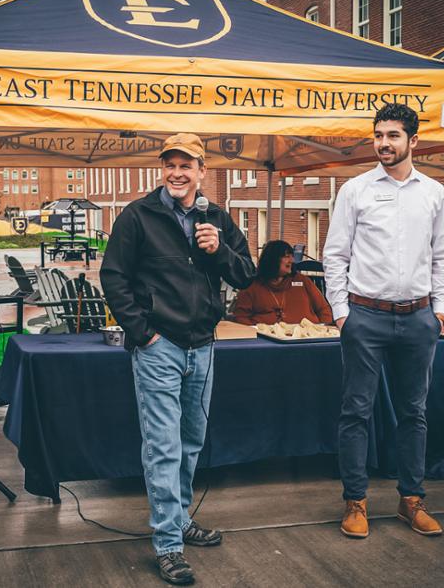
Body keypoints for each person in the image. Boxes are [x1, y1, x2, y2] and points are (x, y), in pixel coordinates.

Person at [100, 133, 255, 585]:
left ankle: (180, 518)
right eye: (170, 164)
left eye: (186, 165)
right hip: (159, 348)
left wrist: (218, 249)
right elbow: (113, 278)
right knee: (163, 446)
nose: (177, 172)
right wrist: (143, 334)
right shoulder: (138, 216)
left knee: (191, 440)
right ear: (162, 169)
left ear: (203, 171)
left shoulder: (217, 219)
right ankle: (169, 543)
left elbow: (246, 274)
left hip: (202, 346)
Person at [323, 104, 444, 539]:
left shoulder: (433, 193)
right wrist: (342, 314)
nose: (383, 143)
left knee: (414, 412)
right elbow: (335, 254)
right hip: (365, 317)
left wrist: (439, 312)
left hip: (418, 318)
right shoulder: (355, 190)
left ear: (413, 141)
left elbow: (443, 256)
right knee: (355, 412)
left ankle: (410, 500)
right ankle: (355, 502)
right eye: (379, 135)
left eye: (393, 135)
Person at [232, 240, 332, 325]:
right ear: (272, 260)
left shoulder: (302, 281)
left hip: (307, 341)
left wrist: (325, 332)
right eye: (287, 256)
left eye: (291, 256)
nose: (292, 260)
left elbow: (323, 309)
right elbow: (241, 317)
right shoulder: (252, 286)